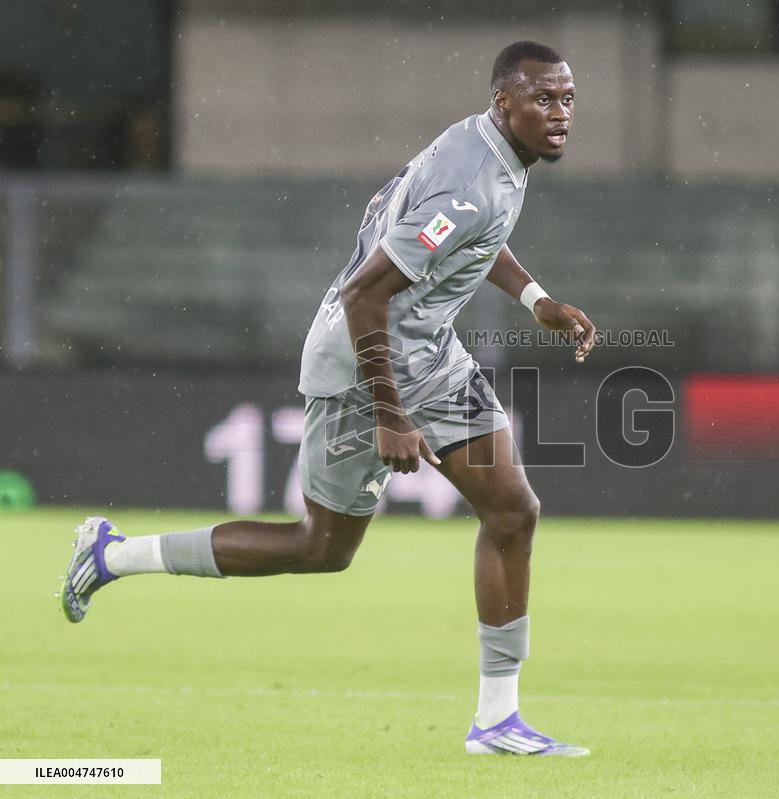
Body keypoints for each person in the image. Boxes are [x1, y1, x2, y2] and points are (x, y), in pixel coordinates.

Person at [60, 40, 595, 757]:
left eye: (567, 99)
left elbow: (474, 238)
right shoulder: (468, 178)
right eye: (544, 99)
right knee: (319, 547)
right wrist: (388, 412)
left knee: (512, 510)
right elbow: (364, 292)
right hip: (359, 367)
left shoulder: (490, 153)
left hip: (430, 355)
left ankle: (497, 720)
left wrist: (535, 300)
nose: (560, 115)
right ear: (505, 102)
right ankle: (114, 555)